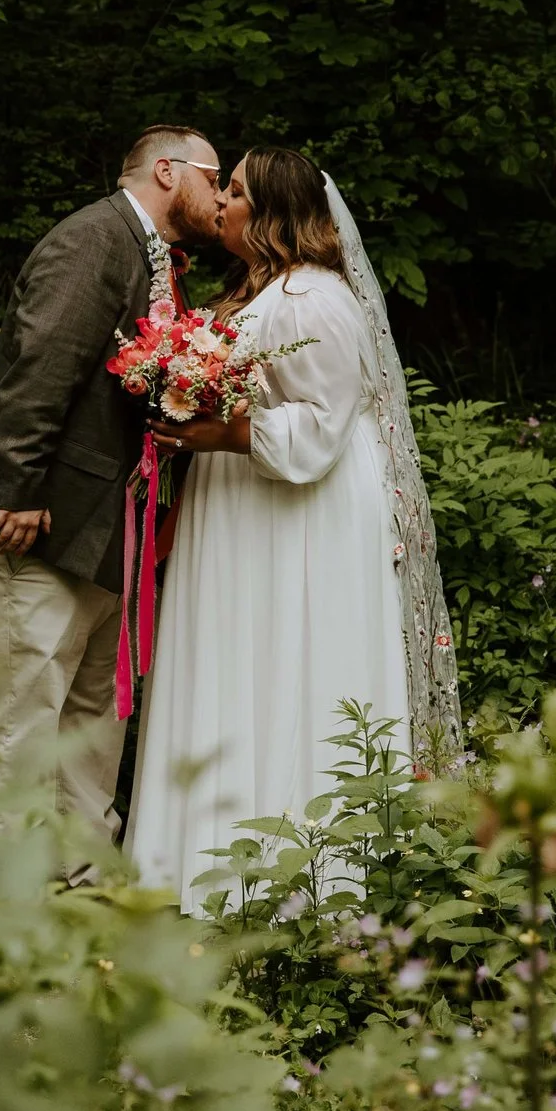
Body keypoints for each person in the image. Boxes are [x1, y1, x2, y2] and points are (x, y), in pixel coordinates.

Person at [124, 147, 463, 913]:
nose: (223, 204)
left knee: (291, 662)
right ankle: (204, 859)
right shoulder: (260, 291)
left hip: (303, 515)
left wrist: (214, 435)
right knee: (241, 659)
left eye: (237, 192)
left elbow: (317, 429)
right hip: (248, 510)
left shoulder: (313, 299)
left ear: (272, 212)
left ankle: (307, 882)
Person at [0, 125, 223, 840]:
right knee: (19, 725)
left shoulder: (157, 258)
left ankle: (83, 901)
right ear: (166, 171)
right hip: (38, 525)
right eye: (213, 178)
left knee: (93, 727)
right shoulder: (93, 239)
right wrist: (19, 490)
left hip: (107, 534)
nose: (220, 197)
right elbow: (41, 365)